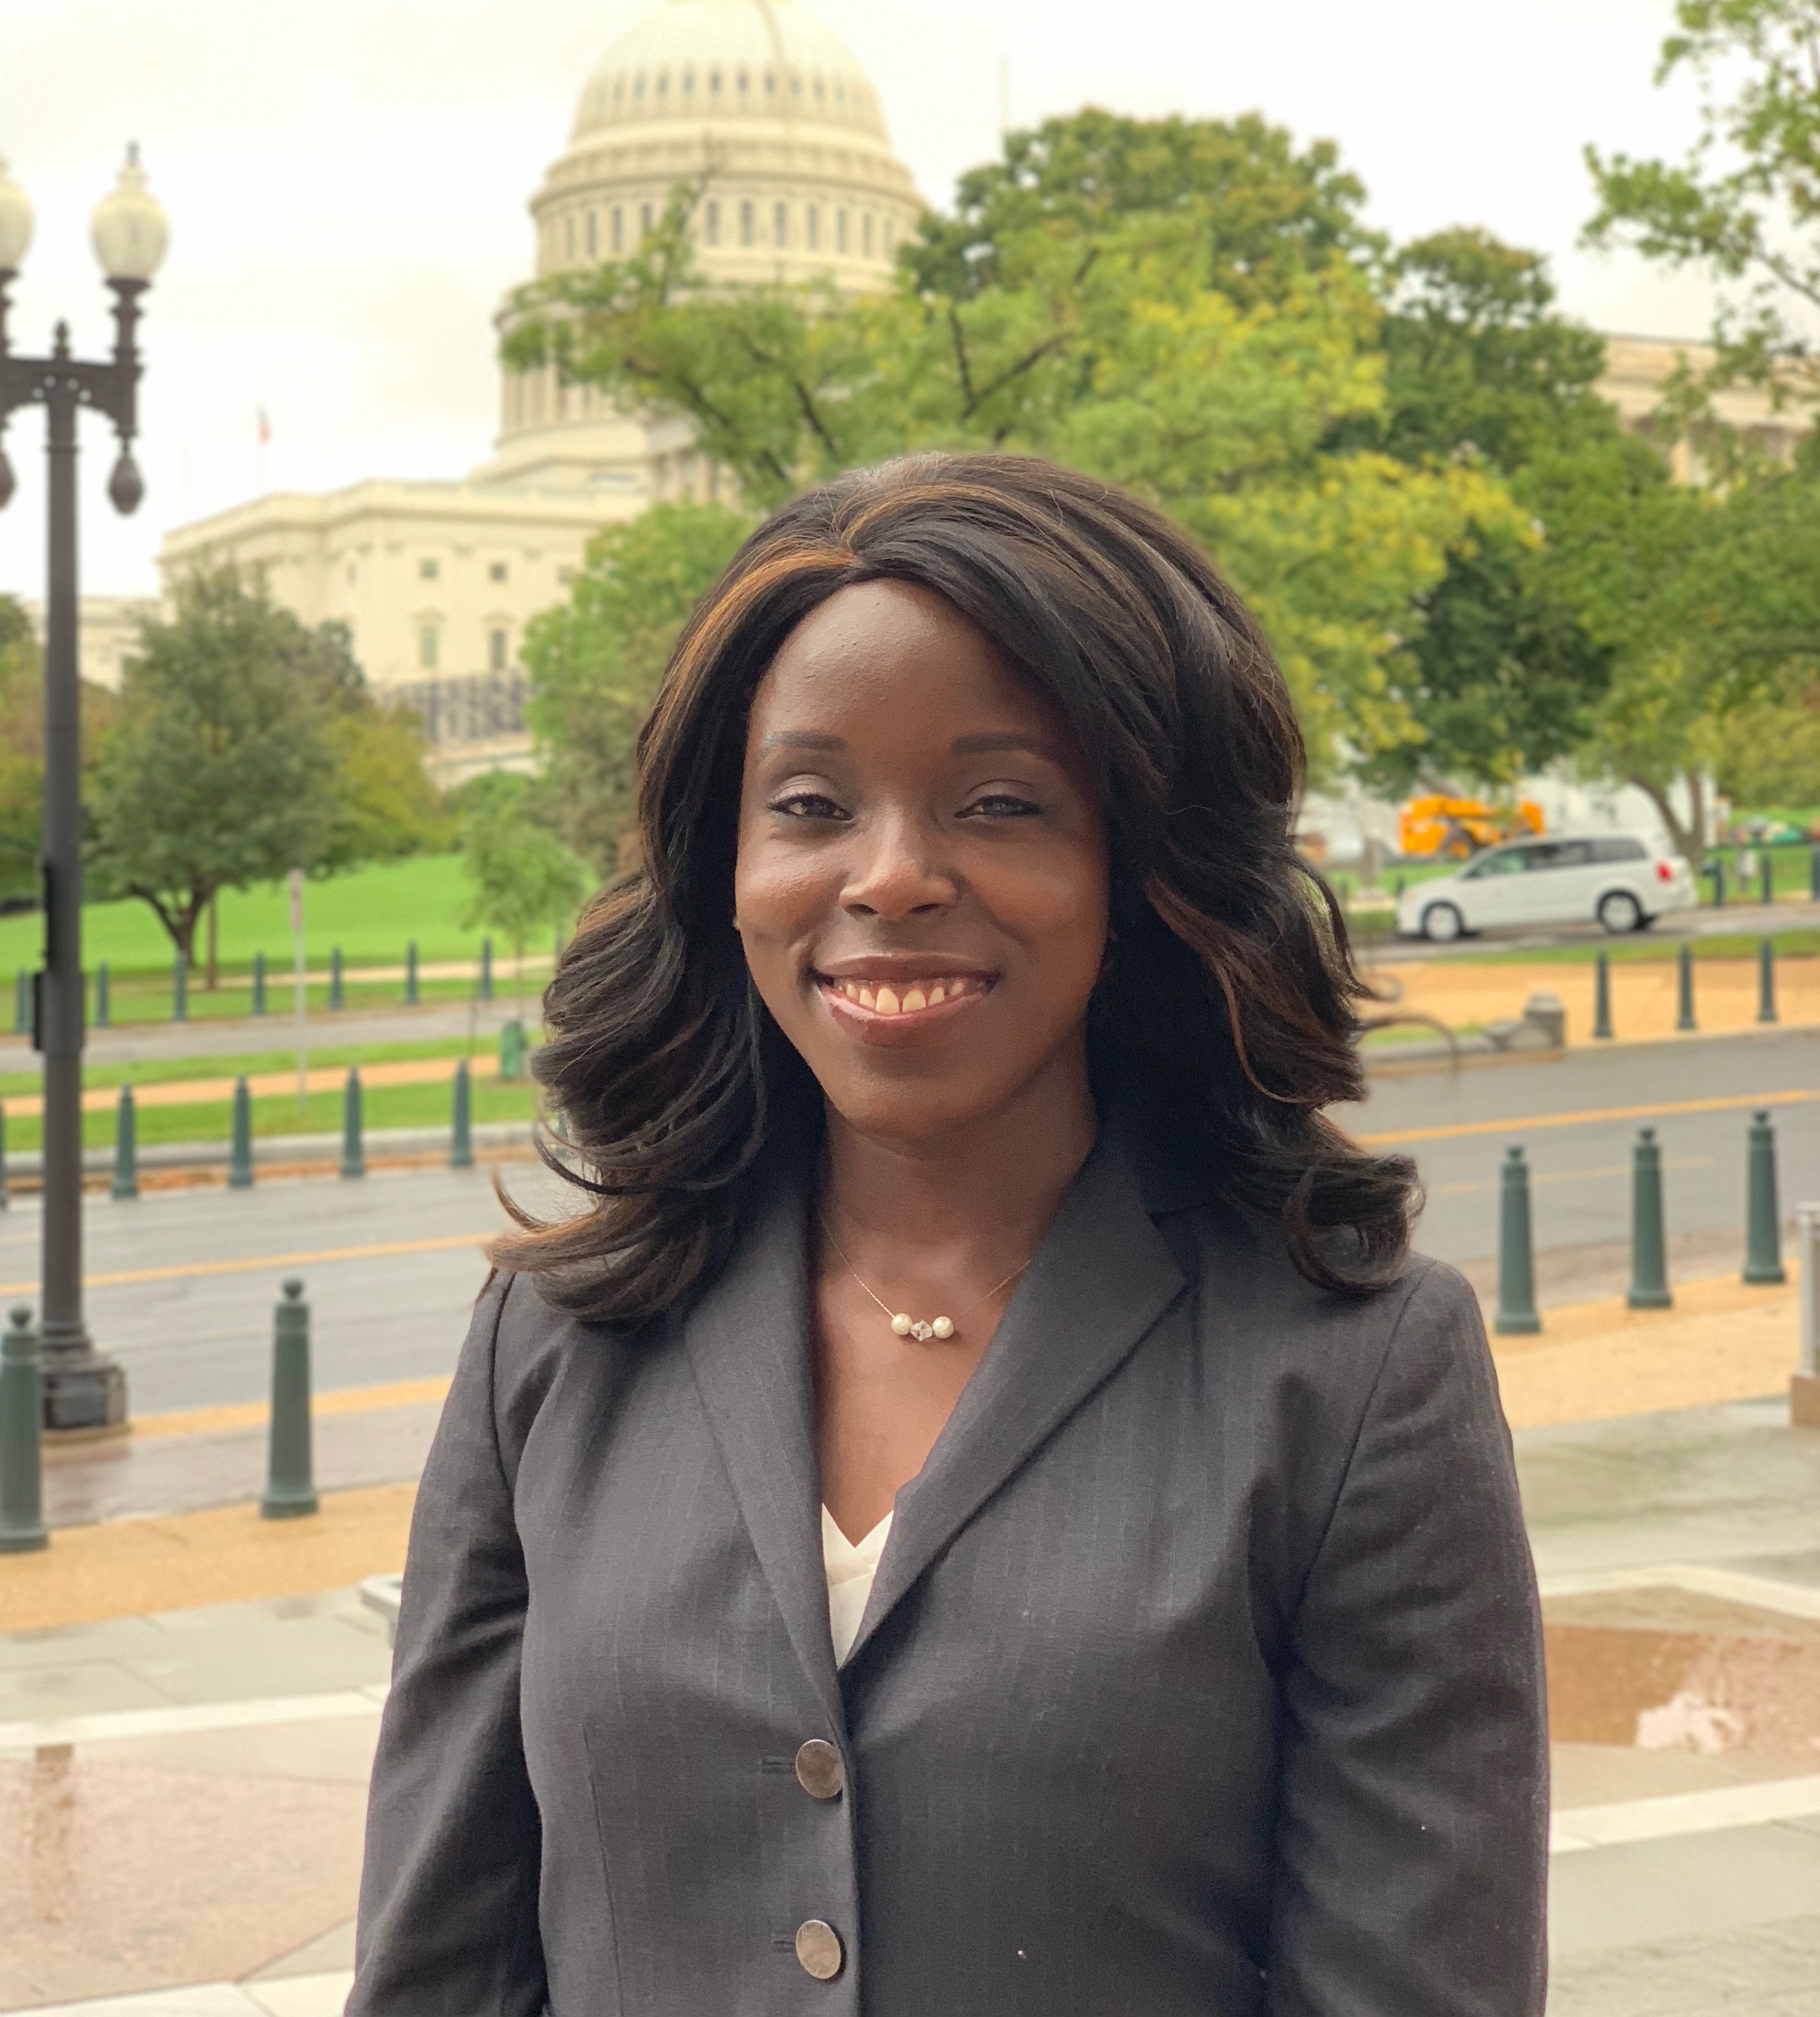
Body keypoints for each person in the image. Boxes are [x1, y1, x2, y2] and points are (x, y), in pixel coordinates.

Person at [347, 452, 1547, 2017]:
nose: (893, 873)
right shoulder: (556, 1346)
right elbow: (441, 1970)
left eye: (1000, 803)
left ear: (1144, 861)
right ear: (727, 863)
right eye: (810, 806)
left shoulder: (1356, 1375)